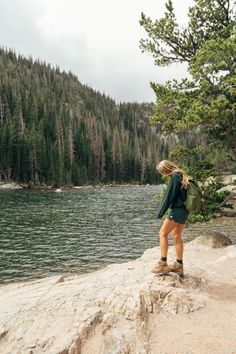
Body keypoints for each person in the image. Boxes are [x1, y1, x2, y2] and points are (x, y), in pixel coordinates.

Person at [152, 160, 190, 276]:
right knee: (176, 236)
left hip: (177, 210)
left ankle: (163, 264)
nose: (161, 173)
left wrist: (160, 212)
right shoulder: (182, 175)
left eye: (161, 171)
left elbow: (169, 196)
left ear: (166, 169)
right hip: (184, 210)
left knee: (162, 233)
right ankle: (179, 265)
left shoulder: (175, 177)